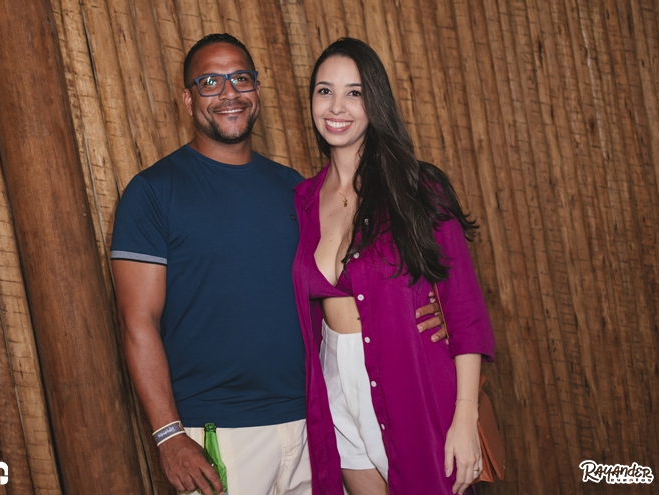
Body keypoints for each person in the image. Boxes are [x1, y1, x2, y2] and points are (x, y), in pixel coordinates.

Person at [110, 33, 446, 495]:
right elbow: (138, 322)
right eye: (210, 82)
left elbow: (346, 284)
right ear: (187, 100)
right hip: (218, 434)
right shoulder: (152, 192)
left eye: (240, 79)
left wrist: (429, 313)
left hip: (315, 424)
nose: (229, 93)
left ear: (257, 90)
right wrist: (169, 435)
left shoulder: (299, 191)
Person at [292, 38, 496, 495]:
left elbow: (465, 313)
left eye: (354, 92)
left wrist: (465, 417)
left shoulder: (419, 189)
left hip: (411, 384)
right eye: (325, 91)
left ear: (376, 102)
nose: (336, 106)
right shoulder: (302, 200)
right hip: (335, 391)